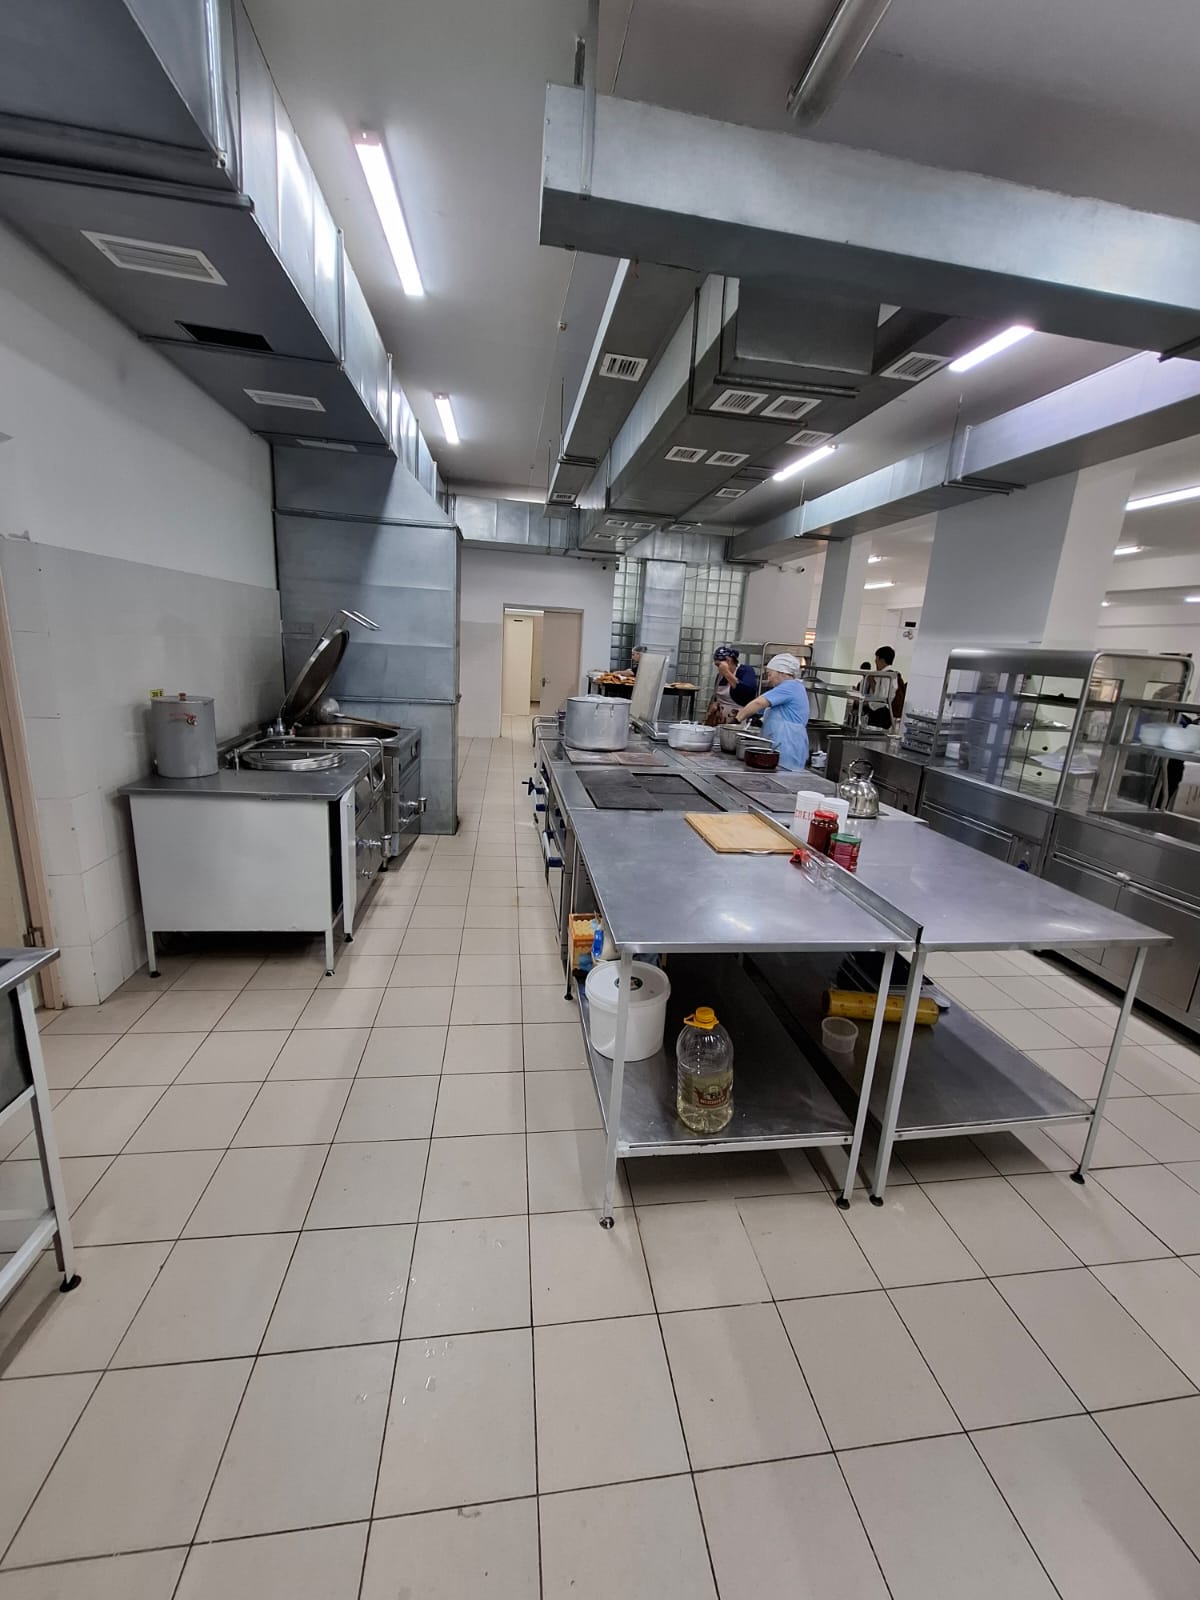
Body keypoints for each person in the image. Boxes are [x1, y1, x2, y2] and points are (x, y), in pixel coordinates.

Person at [735, 652, 810, 770]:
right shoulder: (794, 687)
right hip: (785, 744)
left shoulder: (789, 686)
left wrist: (737, 718)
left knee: (783, 778)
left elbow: (759, 703)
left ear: (782, 672)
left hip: (786, 746)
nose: (768, 679)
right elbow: (781, 712)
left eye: (770, 674)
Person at [706, 644, 758, 725]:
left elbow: (748, 693)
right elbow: (716, 695)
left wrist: (727, 673)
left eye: (718, 665)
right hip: (721, 720)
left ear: (728, 660)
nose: (718, 668)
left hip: (739, 720)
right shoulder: (720, 676)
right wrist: (714, 704)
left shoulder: (746, 670)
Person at [864, 645, 907, 730]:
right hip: (882, 713)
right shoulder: (889, 675)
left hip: (881, 715)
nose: (875, 662)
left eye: (876, 659)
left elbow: (883, 698)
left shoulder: (887, 676)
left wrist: (868, 704)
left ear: (882, 660)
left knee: (875, 736)